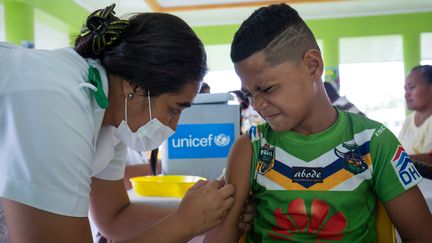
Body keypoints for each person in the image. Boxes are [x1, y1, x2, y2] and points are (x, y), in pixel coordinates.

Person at [0, 4, 236, 243]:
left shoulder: (113, 113)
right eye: (174, 109)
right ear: (135, 87)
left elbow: (115, 218)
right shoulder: (54, 100)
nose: (173, 126)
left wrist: (208, 214)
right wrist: (184, 224)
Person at [204, 4, 432, 243]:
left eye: (267, 89)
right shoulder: (250, 148)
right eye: (250, 94)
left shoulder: (373, 142)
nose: (258, 105)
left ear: (312, 65)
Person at [399, 65, 432, 164]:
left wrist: (393, 161)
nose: (406, 94)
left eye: (411, 87)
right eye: (405, 89)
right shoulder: (408, 120)